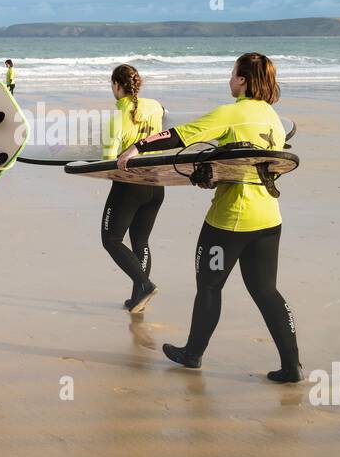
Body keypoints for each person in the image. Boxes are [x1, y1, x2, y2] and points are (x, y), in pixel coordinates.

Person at [117, 53, 300, 383]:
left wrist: (138, 148)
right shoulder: (273, 118)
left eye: (232, 74)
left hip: (230, 220)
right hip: (269, 218)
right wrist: (213, 174)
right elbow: (256, 164)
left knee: (210, 286)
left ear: (243, 80)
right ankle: (292, 366)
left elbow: (180, 135)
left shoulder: (230, 113)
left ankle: (193, 354)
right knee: (266, 291)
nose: (229, 80)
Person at [100, 64, 165, 314]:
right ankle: (138, 296)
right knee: (140, 240)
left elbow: (108, 159)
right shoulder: (156, 106)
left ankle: (145, 284)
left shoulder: (117, 116)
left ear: (117, 85)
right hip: (156, 183)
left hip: (129, 186)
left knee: (111, 239)